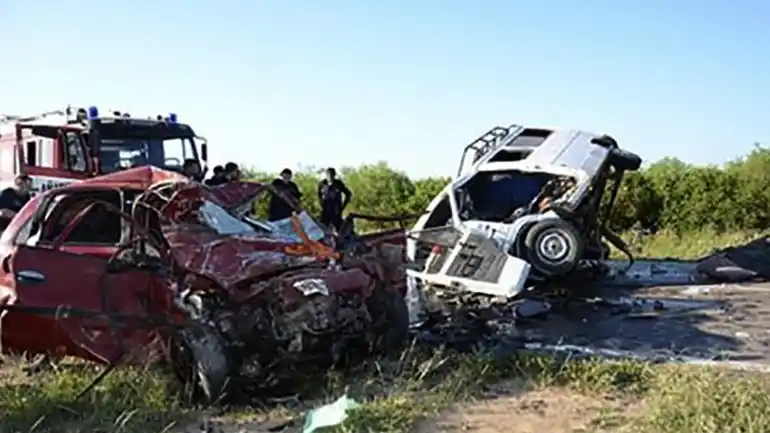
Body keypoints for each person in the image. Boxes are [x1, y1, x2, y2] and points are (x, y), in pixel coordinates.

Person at [317, 167, 352, 231]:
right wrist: (321, 204)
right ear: (326, 175)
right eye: (329, 174)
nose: (330, 176)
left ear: (334, 175)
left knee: (339, 229)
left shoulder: (338, 184)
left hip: (336, 210)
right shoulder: (322, 183)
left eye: (332, 174)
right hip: (326, 210)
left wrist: (343, 206)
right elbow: (319, 195)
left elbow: (348, 194)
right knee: (322, 228)